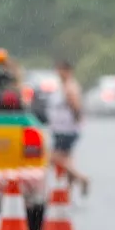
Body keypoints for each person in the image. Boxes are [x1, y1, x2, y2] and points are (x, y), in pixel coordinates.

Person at [47, 58, 88, 195]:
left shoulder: (70, 87)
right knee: (68, 160)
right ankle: (68, 191)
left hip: (66, 129)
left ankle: (81, 178)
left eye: (61, 70)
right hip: (61, 128)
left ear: (67, 71)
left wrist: (76, 121)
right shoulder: (63, 86)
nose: (58, 73)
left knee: (54, 158)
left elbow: (75, 106)